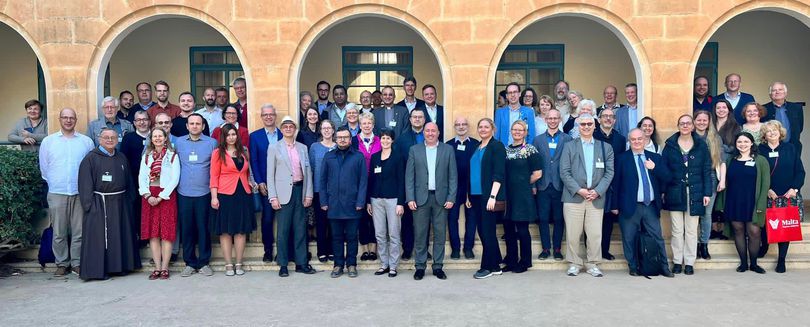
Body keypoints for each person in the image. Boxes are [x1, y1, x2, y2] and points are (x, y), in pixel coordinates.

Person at [610, 129, 674, 277]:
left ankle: (664, 267)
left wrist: (655, 168)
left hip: (650, 205)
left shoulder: (655, 158)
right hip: (629, 205)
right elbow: (616, 184)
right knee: (628, 237)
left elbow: (668, 177)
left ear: (645, 140)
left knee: (657, 237)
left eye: (639, 139)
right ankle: (633, 266)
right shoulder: (622, 159)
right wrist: (614, 205)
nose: (637, 142)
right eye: (633, 139)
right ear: (629, 141)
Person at [39, 108, 95, 276]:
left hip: (80, 192)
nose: (68, 120)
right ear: (60, 119)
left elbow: (90, 167)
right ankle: (62, 263)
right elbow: (44, 168)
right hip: (57, 191)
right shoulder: (48, 142)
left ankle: (77, 262)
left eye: (71, 118)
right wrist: (56, 182)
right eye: (65, 117)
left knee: (79, 230)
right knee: (59, 231)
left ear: (76, 120)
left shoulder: (86, 142)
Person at [78, 128, 139, 280]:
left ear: (117, 140)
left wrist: (130, 200)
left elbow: (129, 181)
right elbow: (85, 184)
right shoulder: (90, 159)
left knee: (119, 236)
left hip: (120, 203)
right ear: (99, 139)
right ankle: (98, 271)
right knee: (100, 239)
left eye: (113, 137)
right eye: (106, 137)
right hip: (100, 203)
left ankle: (118, 267)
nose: (110, 140)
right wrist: (90, 206)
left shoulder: (121, 157)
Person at [560, 114, 614, 277]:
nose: (586, 127)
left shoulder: (605, 148)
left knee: (594, 234)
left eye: (589, 123)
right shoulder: (569, 146)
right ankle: (574, 263)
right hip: (574, 196)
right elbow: (564, 172)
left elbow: (609, 172)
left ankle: (592, 264)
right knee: (573, 233)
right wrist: (579, 190)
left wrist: (597, 191)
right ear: (578, 126)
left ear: (594, 126)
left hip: (595, 197)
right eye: (582, 124)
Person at [661, 114, 712, 275]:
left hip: (696, 192)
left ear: (692, 126)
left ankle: (689, 262)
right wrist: (663, 190)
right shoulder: (670, 145)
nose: (685, 126)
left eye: (688, 123)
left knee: (691, 230)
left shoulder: (701, 145)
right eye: (682, 123)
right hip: (675, 191)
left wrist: (707, 193)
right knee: (677, 230)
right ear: (678, 126)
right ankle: (677, 261)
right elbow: (664, 170)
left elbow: (706, 170)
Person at [406, 122, 456, 280]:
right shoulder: (414, 150)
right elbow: (409, 177)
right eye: (427, 131)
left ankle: (438, 266)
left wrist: (451, 197)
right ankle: (420, 266)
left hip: (441, 199)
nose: (430, 133)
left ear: (438, 133)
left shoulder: (448, 150)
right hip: (420, 198)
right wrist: (410, 197)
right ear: (424, 133)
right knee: (420, 234)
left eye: (433, 131)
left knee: (440, 234)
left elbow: (453, 176)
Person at [267, 116, 315, 277]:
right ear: (281, 129)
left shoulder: (302, 148)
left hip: (299, 190)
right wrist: (272, 197)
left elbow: (307, 171)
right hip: (282, 194)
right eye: (285, 126)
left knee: (300, 229)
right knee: (283, 230)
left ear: (295, 129)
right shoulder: (274, 148)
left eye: (291, 126)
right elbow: (270, 175)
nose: (288, 128)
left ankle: (301, 263)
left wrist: (308, 193)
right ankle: (283, 264)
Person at [717, 132, 770, 274]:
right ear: (736, 144)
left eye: (746, 141)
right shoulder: (730, 160)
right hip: (733, 201)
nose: (742, 144)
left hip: (752, 202)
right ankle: (743, 264)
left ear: (752, 143)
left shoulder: (761, 161)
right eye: (739, 142)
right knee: (738, 231)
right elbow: (724, 180)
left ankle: (754, 264)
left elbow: (765, 185)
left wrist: (761, 205)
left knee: (754, 231)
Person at [320, 126, 368, 278]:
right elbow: (322, 181)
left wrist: (361, 201)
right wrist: (323, 201)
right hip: (334, 203)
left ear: (350, 138)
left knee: (353, 237)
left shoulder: (358, 156)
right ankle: (338, 265)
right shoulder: (329, 157)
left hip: (353, 204)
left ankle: (352, 264)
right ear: (335, 138)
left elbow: (363, 181)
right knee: (337, 237)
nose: (342, 139)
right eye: (339, 137)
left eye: (345, 137)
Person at [210, 124, 256, 276]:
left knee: (241, 230)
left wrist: (250, 181)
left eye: (233, 134)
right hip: (225, 194)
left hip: (243, 193)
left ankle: (239, 263)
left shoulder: (243, 151)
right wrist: (214, 197)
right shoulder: (218, 153)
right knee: (225, 231)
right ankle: (228, 264)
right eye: (228, 135)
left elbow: (247, 172)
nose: (231, 137)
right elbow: (214, 176)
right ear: (223, 137)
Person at [175, 114, 218, 277]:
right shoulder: (178, 142)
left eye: (198, 124)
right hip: (184, 192)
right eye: (191, 123)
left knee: (203, 228)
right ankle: (190, 262)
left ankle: (204, 262)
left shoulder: (211, 143)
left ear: (203, 126)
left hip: (204, 193)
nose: (194, 126)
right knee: (187, 229)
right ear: (187, 126)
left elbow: (215, 168)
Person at [759, 121, 805, 273]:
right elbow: (757, 173)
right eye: (768, 131)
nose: (772, 133)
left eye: (774, 130)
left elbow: (800, 171)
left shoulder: (790, 148)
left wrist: (794, 188)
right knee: (765, 225)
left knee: (785, 228)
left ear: (780, 132)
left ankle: (781, 260)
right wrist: (766, 189)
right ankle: (764, 247)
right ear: (764, 135)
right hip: (768, 194)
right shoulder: (760, 150)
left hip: (788, 195)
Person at [138, 128, 180, 280]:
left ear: (165, 138)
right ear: (151, 139)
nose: (157, 139)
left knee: (166, 234)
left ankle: (164, 268)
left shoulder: (172, 156)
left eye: (160, 136)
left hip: (166, 197)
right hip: (149, 197)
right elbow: (141, 177)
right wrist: (147, 195)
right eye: (154, 136)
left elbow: (174, 179)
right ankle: (156, 267)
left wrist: (161, 196)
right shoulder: (147, 157)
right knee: (153, 234)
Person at [532, 108, 572, 261]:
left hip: (561, 186)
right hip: (542, 185)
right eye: (550, 118)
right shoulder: (537, 140)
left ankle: (557, 249)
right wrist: (533, 185)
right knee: (542, 218)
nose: (553, 121)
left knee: (558, 219)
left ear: (560, 119)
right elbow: (534, 164)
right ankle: (545, 248)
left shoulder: (568, 139)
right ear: (545, 120)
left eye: (556, 118)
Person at [503, 120, 542, 273]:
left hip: (523, 195)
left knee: (523, 230)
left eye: (521, 130)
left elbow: (538, 174)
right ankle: (511, 261)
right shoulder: (505, 150)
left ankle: (525, 262)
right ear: (511, 131)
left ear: (526, 132)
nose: (517, 132)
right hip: (507, 195)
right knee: (509, 230)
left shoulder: (530, 150)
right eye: (515, 129)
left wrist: (523, 183)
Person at [471, 118, 506, 279]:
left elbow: (499, 173)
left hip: (488, 196)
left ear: (493, 129)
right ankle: (496, 262)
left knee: (488, 231)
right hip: (476, 196)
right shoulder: (477, 146)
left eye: (487, 127)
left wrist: (493, 196)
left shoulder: (496, 146)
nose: (483, 129)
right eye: (481, 126)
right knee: (483, 231)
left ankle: (488, 267)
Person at [367, 128, 405, 277]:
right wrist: (369, 201)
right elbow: (371, 180)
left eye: (388, 138)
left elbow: (402, 181)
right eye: (383, 138)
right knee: (380, 233)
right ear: (380, 140)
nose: (385, 141)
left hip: (393, 200)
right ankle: (384, 264)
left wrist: (401, 202)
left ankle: (393, 265)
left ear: (392, 140)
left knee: (394, 234)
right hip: (376, 200)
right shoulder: (375, 157)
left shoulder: (398, 157)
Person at [248, 104, 282, 262]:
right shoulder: (255, 136)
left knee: (283, 220)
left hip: (283, 185)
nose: (268, 117)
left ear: (275, 116)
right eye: (265, 114)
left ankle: (282, 251)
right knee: (267, 219)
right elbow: (253, 161)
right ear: (261, 117)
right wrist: (259, 182)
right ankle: (268, 250)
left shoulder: (284, 134)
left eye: (271, 114)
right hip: (265, 185)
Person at [392, 109, 427, 260]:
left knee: (424, 220)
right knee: (407, 220)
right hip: (408, 185)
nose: (417, 119)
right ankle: (407, 249)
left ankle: (424, 250)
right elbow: (398, 163)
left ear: (424, 119)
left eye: (420, 117)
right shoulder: (402, 140)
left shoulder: (430, 136)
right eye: (415, 117)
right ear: (410, 120)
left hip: (426, 184)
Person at [594, 107, 626, 260]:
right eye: (604, 116)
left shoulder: (620, 139)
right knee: (593, 220)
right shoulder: (592, 135)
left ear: (614, 120)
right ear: (599, 119)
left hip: (612, 185)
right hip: (594, 184)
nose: (608, 119)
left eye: (611, 116)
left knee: (607, 220)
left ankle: (604, 251)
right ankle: (592, 251)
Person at [446, 117, 480, 259]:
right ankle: (455, 249)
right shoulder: (447, 145)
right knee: (452, 218)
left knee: (471, 218)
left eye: (464, 124)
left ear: (468, 126)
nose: (461, 127)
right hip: (453, 188)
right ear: (454, 127)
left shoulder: (476, 144)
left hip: (471, 188)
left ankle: (468, 248)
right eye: (458, 125)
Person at [694, 110, 726, 257]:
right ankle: (693, 245)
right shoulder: (689, 136)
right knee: (693, 214)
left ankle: (704, 245)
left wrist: (723, 180)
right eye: (698, 120)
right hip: (693, 178)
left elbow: (722, 161)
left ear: (709, 122)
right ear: (694, 121)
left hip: (711, 177)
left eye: (704, 120)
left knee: (706, 214)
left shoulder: (715, 138)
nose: (701, 122)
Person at [352, 112, 380, 261]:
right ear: (360, 125)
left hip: (376, 183)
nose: (367, 126)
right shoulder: (353, 141)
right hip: (358, 184)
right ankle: (364, 249)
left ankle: (374, 249)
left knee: (375, 216)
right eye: (364, 123)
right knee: (362, 216)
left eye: (369, 123)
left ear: (373, 125)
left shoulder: (381, 141)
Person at [120, 110, 151, 243]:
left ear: (149, 121)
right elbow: (123, 160)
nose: (142, 122)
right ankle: (140, 237)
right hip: (134, 181)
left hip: (154, 181)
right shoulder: (129, 138)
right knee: (137, 209)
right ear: (134, 123)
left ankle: (152, 236)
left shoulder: (156, 136)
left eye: (144, 119)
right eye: (139, 120)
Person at [309, 120, 337, 262]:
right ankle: (322, 251)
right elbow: (311, 169)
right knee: (321, 222)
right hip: (319, 190)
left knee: (333, 221)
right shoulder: (314, 147)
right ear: (320, 130)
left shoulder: (338, 146)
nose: (326, 130)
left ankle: (332, 250)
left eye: (329, 128)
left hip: (335, 191)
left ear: (333, 130)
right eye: (324, 128)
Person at [763, 82, 804, 155]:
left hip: (793, 147)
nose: (777, 92)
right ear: (770, 94)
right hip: (771, 148)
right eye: (774, 90)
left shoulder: (796, 108)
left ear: (785, 93)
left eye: (780, 89)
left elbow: (800, 127)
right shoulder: (764, 109)